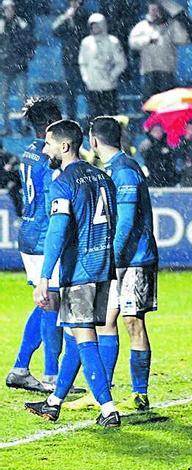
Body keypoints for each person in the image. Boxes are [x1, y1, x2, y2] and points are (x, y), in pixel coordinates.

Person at [24, 119, 121, 428]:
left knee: (83, 336)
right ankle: (53, 403)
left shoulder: (63, 181)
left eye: (49, 144)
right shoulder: (102, 176)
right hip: (102, 268)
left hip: (79, 271)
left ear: (64, 146)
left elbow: (57, 230)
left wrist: (44, 277)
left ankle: (107, 408)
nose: (46, 149)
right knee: (77, 334)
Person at [64, 117, 160, 412]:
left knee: (133, 322)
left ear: (93, 142)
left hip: (134, 260)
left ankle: (139, 393)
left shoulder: (125, 172)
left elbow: (127, 223)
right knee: (105, 322)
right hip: (121, 260)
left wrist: (112, 258)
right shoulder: (114, 170)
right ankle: (100, 392)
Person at [5, 98, 63, 394]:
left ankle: (21, 368)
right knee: (51, 302)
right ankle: (51, 376)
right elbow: (56, 203)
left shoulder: (27, 152)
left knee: (46, 302)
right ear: (50, 123)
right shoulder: (49, 158)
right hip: (42, 233)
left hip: (29, 230)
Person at [129, 1, 189, 99]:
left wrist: (177, 23)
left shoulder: (172, 25)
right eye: (152, 9)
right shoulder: (142, 26)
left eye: (156, 9)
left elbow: (182, 39)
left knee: (166, 101)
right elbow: (132, 43)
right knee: (149, 101)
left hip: (166, 69)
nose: (154, 12)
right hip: (148, 69)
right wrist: (147, 40)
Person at [78, 13, 127, 120]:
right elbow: (82, 63)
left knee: (111, 115)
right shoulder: (86, 42)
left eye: (97, 25)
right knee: (94, 116)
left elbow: (121, 63)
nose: (95, 28)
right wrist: (86, 79)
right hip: (93, 86)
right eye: (93, 26)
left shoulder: (113, 42)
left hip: (109, 86)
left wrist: (112, 76)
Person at [0, 0, 35, 136]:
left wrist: (24, 58)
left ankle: (24, 126)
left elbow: (29, 43)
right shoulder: (1, 25)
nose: (9, 11)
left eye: (11, 8)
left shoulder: (22, 23)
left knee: (23, 99)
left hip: (20, 67)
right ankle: (6, 127)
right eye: (6, 9)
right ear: (3, 10)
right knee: (3, 99)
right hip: (4, 67)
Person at [52, 0, 89, 120]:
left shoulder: (86, 16)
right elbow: (55, 31)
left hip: (85, 60)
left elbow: (86, 33)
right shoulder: (66, 16)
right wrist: (67, 17)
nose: (74, 3)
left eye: (77, 1)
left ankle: (89, 119)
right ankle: (71, 119)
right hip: (69, 60)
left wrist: (76, 18)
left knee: (87, 92)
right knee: (70, 93)